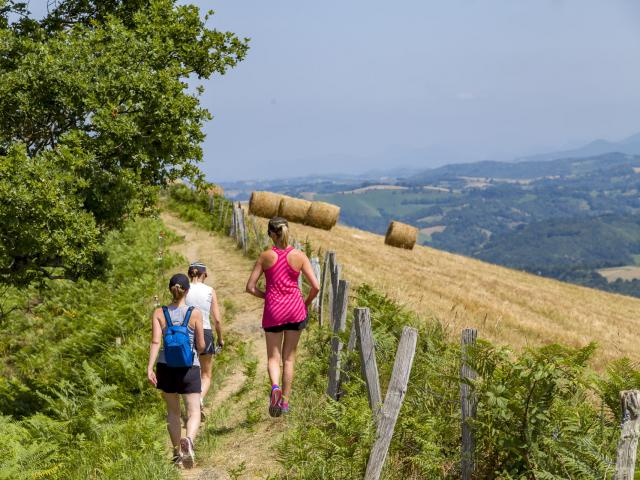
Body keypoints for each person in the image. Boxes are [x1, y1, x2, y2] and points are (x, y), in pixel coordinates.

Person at [245, 217, 320, 417]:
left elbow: (250, 287)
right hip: (296, 310)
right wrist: (304, 303)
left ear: (270, 233)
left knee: (273, 357)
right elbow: (316, 286)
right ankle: (285, 403)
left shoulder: (265, 256)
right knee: (289, 359)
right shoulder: (300, 256)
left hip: (273, 311)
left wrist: (266, 296)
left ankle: (275, 387)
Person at [147, 273, 205, 469]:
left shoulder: (159, 313)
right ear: (186, 291)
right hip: (189, 366)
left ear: (170, 290)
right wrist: (201, 350)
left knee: (173, 412)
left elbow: (156, 342)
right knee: (194, 411)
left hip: (166, 366)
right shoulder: (195, 313)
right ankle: (188, 439)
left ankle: (176, 452)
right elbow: (201, 344)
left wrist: (149, 367)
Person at [185, 261, 224, 419]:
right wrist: (220, 339)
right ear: (204, 275)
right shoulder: (209, 290)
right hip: (205, 332)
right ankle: (199, 399)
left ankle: (191, 404)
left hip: (187, 334)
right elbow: (217, 320)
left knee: (189, 370)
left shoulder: (183, 289)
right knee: (206, 374)